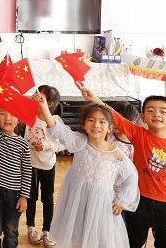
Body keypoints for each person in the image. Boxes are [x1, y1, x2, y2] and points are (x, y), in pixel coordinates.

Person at [81, 86, 166, 247]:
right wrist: (94, 98)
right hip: (139, 200)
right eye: (151, 111)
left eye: (163, 111)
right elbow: (116, 117)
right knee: (133, 242)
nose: (156, 114)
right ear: (143, 117)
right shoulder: (139, 134)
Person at [37, 95, 139, 248]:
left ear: (110, 127)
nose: (96, 125)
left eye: (102, 122)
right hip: (77, 200)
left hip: (101, 205)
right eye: (91, 120)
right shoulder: (80, 141)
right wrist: (44, 108)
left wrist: (121, 201)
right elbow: (59, 131)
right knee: (76, 235)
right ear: (83, 124)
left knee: (98, 239)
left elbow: (131, 177)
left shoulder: (117, 154)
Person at [0, 103, 31, 248]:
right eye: (2, 113)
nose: (7, 118)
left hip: (14, 194)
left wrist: (24, 196)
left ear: (19, 119)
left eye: (12, 114)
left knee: (11, 232)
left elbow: (27, 171)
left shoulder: (23, 144)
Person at [24, 85, 64, 247]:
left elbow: (61, 144)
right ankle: (31, 228)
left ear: (50, 103)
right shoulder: (28, 115)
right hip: (30, 165)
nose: (37, 97)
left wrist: (46, 146)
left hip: (47, 165)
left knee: (47, 198)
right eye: (36, 94)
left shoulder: (54, 121)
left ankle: (47, 230)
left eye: (41, 96)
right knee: (30, 197)